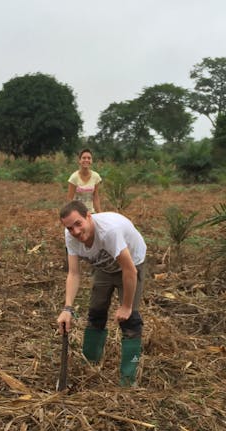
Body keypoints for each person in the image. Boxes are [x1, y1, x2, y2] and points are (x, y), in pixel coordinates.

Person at [56, 200, 147, 386]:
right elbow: (73, 273)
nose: (76, 231)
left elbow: (129, 271)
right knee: (96, 311)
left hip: (132, 264)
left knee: (130, 322)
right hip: (105, 268)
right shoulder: (70, 236)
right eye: (70, 228)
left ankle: (128, 380)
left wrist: (126, 306)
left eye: (78, 224)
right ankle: (89, 363)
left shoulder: (109, 232)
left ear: (89, 216)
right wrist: (67, 309)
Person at [66, 148, 102, 213]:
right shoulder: (74, 177)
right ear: (79, 160)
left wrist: (100, 213)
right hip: (77, 213)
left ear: (92, 160)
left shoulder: (96, 176)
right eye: (84, 158)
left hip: (90, 212)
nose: (86, 160)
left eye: (89, 158)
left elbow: (96, 197)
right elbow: (69, 199)